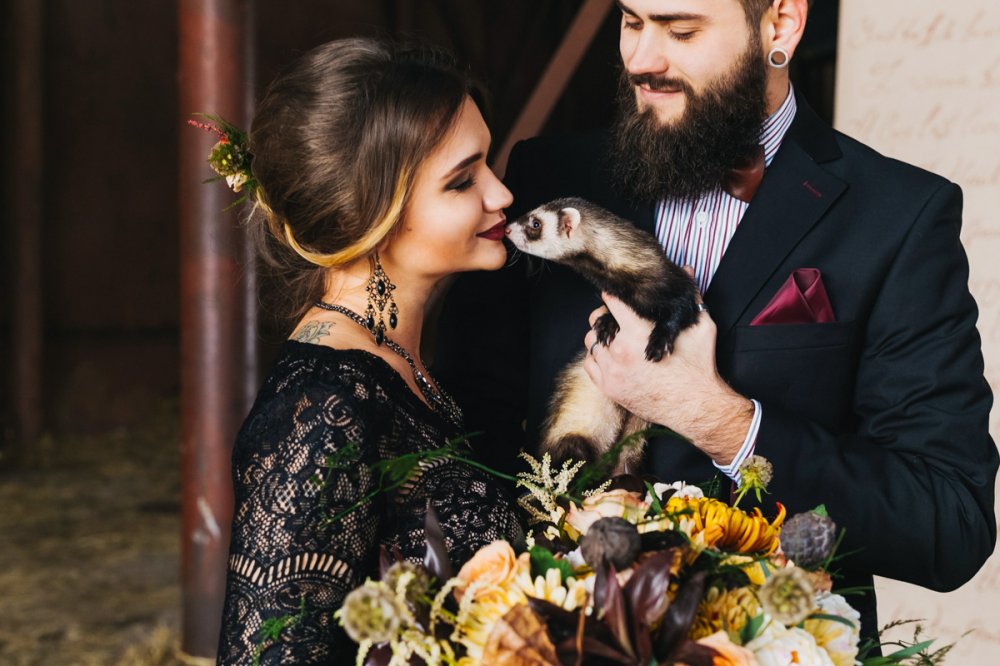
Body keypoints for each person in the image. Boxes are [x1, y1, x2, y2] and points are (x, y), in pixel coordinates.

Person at [435, 0, 998, 644]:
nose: (641, 60)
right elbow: (462, 440)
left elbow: (949, 524)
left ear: (780, 24)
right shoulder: (542, 181)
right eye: (630, 21)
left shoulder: (902, 217)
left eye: (680, 29)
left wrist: (721, 420)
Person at [215, 38, 523, 663]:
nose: (501, 195)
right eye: (463, 181)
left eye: (488, 165)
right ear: (369, 215)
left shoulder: (404, 366)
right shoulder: (321, 413)